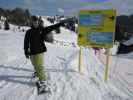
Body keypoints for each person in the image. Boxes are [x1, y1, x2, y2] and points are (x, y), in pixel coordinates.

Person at [24, 16, 65, 94]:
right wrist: (26, 51)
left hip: (40, 52)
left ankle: (43, 83)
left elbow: (51, 27)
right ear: (32, 23)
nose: (36, 23)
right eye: (34, 22)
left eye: (37, 22)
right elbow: (26, 42)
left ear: (38, 23)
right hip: (32, 52)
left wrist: (59, 24)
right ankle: (37, 72)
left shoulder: (41, 30)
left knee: (40, 66)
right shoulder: (28, 32)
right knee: (34, 64)